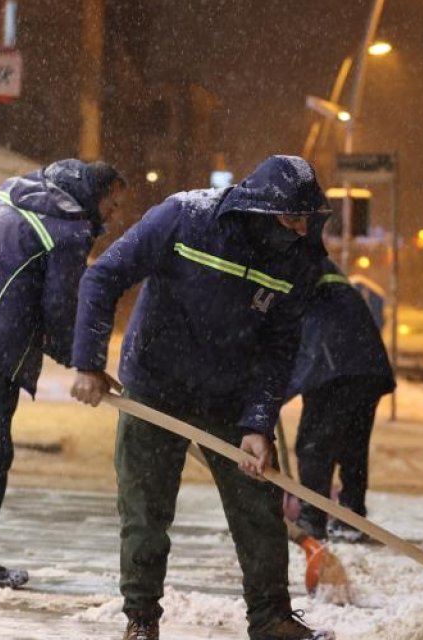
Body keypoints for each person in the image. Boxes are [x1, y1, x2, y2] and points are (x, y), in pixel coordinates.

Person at [71, 155, 336, 640]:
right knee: (145, 510)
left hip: (229, 401)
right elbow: (102, 277)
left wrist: (257, 423)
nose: (300, 230)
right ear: (260, 209)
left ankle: (272, 618)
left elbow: (279, 350)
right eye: (291, 219)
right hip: (154, 387)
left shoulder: (298, 261)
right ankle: (142, 619)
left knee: (258, 508)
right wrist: (88, 362)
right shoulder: (185, 218)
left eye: (306, 219)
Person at [0, 159, 126, 587]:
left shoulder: (17, 187)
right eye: (113, 204)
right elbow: (60, 308)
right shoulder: (69, 232)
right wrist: (85, 364)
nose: (114, 215)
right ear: (94, 194)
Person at [286, 259, 396, 543]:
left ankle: (312, 519)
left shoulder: (288, 263)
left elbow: (280, 336)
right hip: (365, 363)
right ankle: (351, 515)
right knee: (352, 445)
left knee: (313, 446)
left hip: (334, 363)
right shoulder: (314, 264)